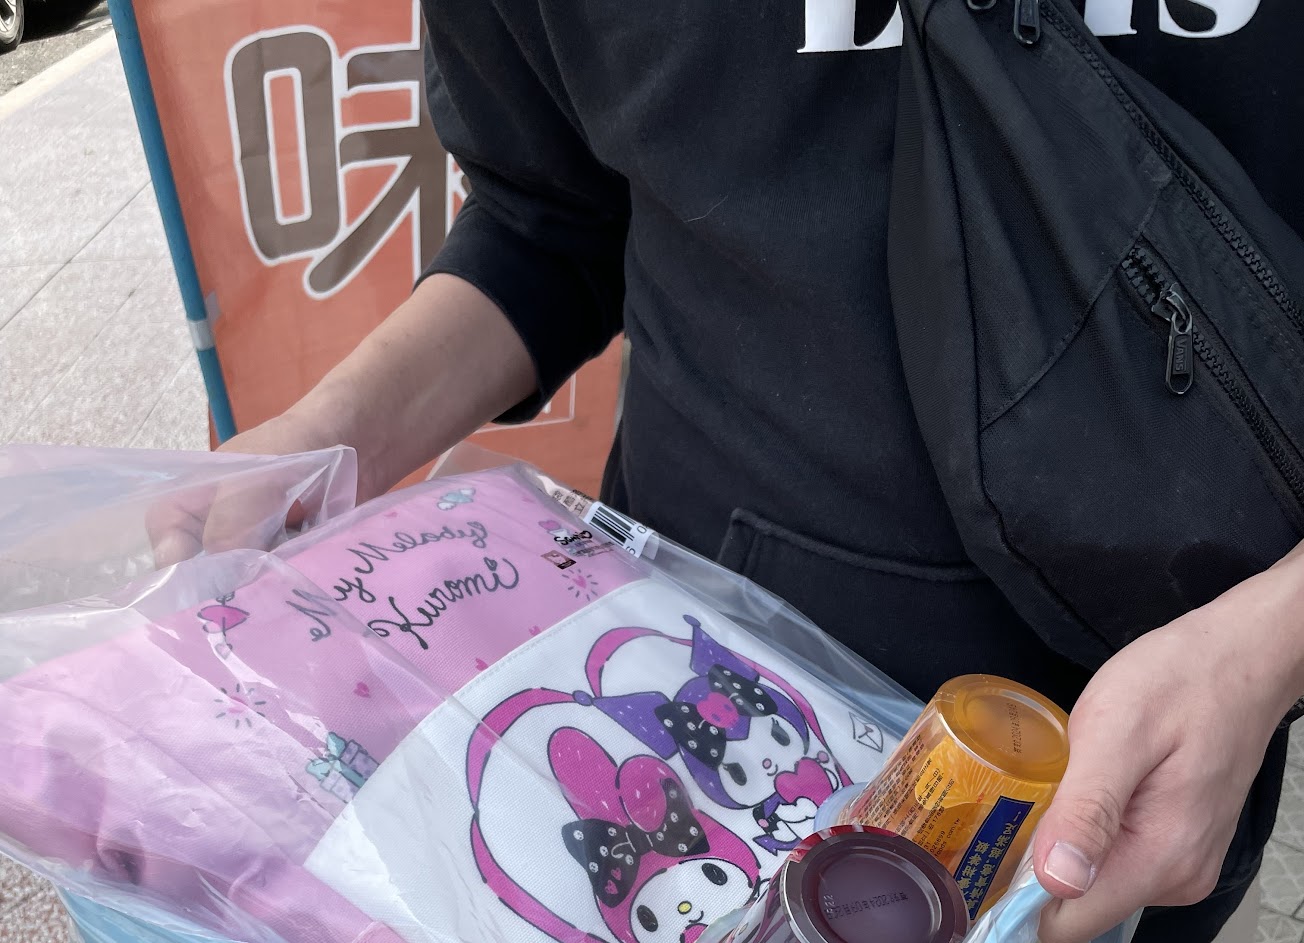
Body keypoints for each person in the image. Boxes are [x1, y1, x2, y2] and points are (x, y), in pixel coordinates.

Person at [199, 3, 1304, 941]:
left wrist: (1266, 643)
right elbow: (546, 220)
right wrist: (328, 434)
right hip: (684, 723)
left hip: (1149, 766)